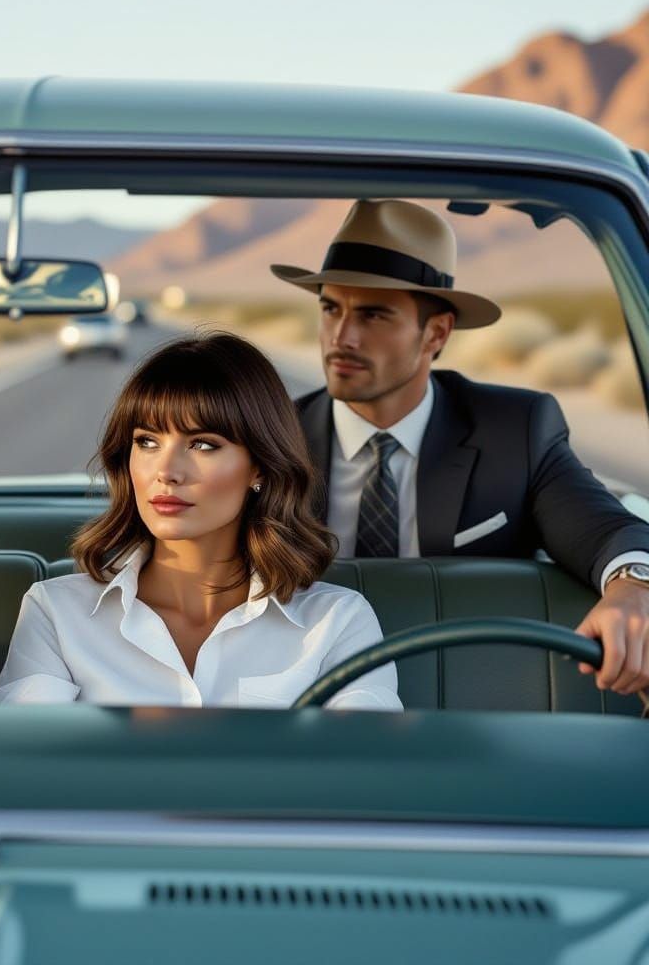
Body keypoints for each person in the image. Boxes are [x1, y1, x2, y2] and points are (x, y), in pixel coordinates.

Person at [271, 198, 649, 698]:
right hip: (305, 701)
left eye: (374, 315)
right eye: (330, 308)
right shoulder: (273, 437)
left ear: (437, 333)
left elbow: (606, 529)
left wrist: (636, 588)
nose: (343, 337)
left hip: (474, 698)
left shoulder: (514, 432)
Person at [0, 332, 401, 710]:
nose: (167, 471)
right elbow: (28, 767)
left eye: (203, 444)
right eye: (147, 442)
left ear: (259, 466)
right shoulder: (55, 612)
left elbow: (364, 771)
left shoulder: (338, 620)